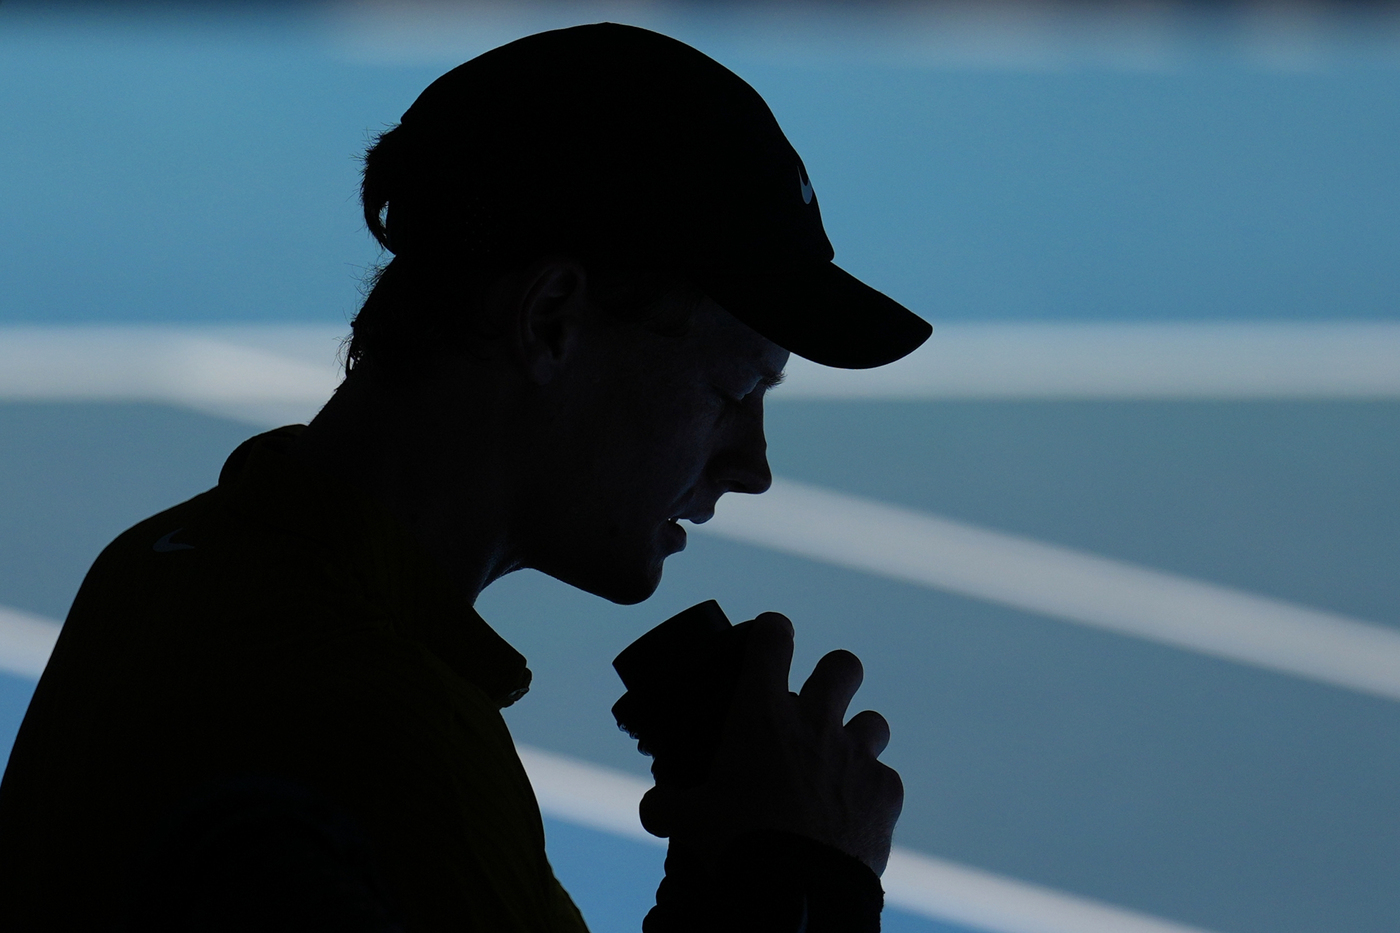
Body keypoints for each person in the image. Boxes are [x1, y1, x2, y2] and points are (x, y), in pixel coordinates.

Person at [0, 22, 928, 932]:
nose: (752, 468)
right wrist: (804, 877)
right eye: (733, 390)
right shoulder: (397, 742)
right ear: (551, 320)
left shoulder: (160, 565)